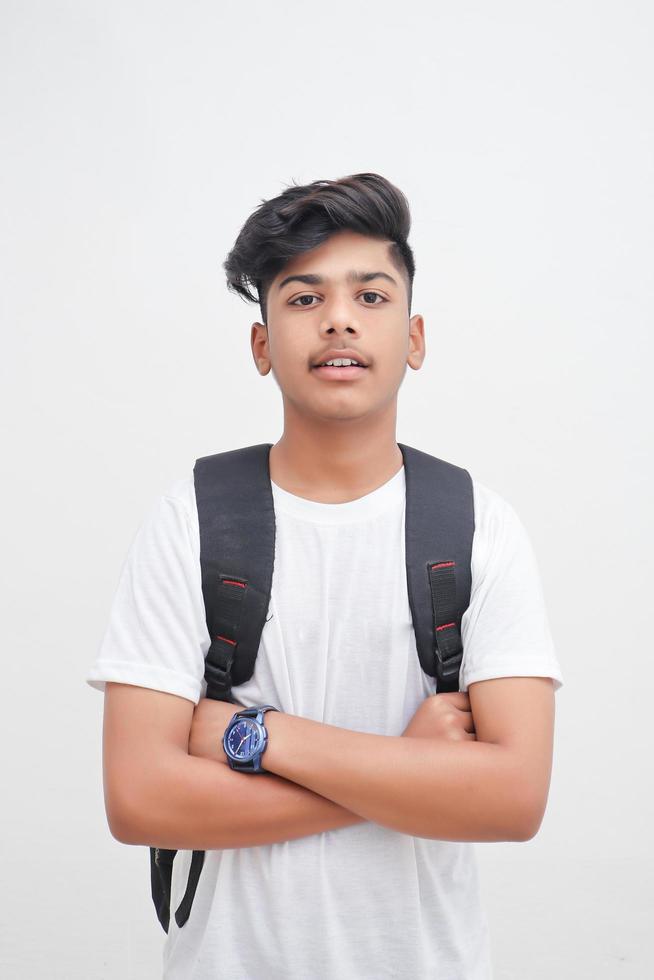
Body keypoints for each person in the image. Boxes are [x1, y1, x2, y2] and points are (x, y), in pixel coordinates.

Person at [86, 172, 564, 979]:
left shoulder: (480, 525)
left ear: (414, 338)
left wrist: (257, 737)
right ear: (262, 345)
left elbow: (514, 801)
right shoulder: (192, 518)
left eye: (371, 296)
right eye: (304, 299)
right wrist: (410, 772)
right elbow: (139, 802)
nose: (340, 316)